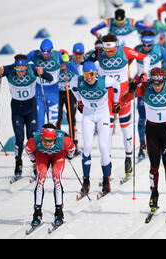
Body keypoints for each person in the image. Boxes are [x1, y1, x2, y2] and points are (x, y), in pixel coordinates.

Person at [122, 67, 166, 212]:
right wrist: (131, 89)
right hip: (152, 130)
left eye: (159, 84)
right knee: (153, 166)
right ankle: (154, 194)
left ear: (164, 81)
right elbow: (124, 100)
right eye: (154, 84)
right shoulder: (145, 87)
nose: (157, 87)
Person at [85, 33, 151, 179]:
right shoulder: (98, 54)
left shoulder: (124, 51)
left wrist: (144, 73)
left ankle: (128, 157)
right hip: (106, 99)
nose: (109, 54)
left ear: (116, 46)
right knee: (106, 131)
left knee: (125, 127)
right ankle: (107, 165)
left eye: (112, 50)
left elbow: (145, 58)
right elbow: (83, 66)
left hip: (123, 96)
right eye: (106, 51)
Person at [0, 54, 53, 179]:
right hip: (17, 109)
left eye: (22, 70)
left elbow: (50, 78)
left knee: (31, 138)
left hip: (30, 108)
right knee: (19, 137)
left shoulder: (32, 69)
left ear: (26, 67)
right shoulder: (9, 69)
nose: (20, 73)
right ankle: (18, 162)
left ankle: (35, 163)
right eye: (18, 70)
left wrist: (42, 73)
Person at [71, 61, 121, 196]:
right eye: (87, 75)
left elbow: (117, 86)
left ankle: (106, 180)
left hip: (103, 114)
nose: (89, 77)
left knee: (103, 147)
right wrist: (79, 101)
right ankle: (86, 181)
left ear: (96, 73)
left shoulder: (104, 81)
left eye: (92, 74)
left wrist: (116, 102)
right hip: (88, 115)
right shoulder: (78, 80)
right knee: (86, 146)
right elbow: (72, 87)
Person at [25, 124, 76, 227]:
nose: (48, 144)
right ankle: (37, 213)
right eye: (45, 141)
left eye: (50, 141)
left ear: (55, 139)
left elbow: (72, 149)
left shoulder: (64, 140)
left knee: (56, 176)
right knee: (40, 178)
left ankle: (59, 212)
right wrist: (33, 159)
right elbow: (28, 150)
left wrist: (69, 157)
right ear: (41, 138)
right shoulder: (34, 140)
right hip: (42, 155)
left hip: (58, 155)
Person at [26, 39, 78, 131]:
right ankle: (39, 143)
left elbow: (75, 70)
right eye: (43, 53)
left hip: (53, 92)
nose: (45, 56)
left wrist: (68, 61)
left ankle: (53, 143)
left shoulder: (58, 55)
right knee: (39, 122)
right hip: (39, 91)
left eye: (48, 54)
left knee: (53, 123)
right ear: (40, 50)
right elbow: (20, 63)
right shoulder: (35, 54)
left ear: (52, 50)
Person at [56, 43, 85, 153]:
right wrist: (60, 68)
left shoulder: (71, 63)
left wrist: (67, 66)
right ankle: (57, 143)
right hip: (58, 93)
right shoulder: (57, 64)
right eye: (76, 54)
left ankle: (74, 143)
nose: (78, 56)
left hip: (70, 92)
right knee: (57, 119)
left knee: (71, 117)